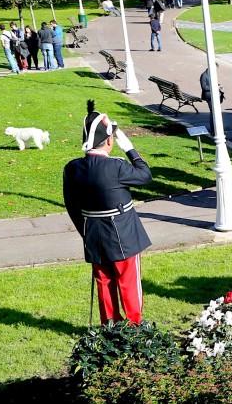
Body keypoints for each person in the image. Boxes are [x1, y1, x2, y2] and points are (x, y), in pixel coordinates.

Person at [63, 101, 153, 324]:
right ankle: (134, 326)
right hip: (122, 233)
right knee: (128, 282)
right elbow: (145, 175)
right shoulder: (117, 166)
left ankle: (110, 326)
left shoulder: (72, 168)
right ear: (110, 140)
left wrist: (85, 232)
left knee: (104, 281)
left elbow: (72, 206)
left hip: (93, 232)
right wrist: (131, 149)